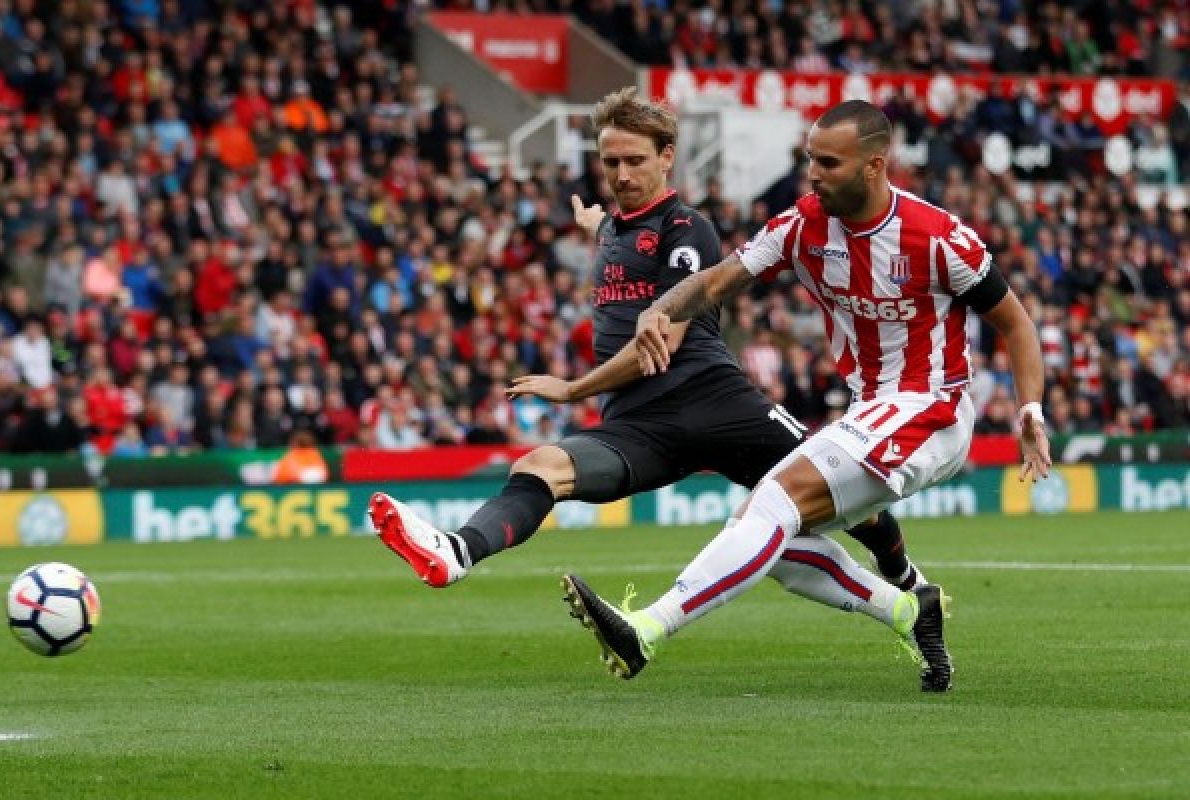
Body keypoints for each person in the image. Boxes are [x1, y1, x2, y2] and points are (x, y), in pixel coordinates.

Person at [368, 88, 931, 648]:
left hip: (716, 404)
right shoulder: (614, 227)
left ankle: (909, 581)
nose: (621, 174)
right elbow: (616, 232)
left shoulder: (689, 229)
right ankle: (457, 551)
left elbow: (658, 342)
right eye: (610, 162)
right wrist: (595, 222)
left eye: (635, 160)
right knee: (542, 465)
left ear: (666, 157)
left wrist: (573, 390)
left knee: (841, 496)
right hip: (642, 423)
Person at [561, 100, 1051, 692]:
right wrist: (658, 311)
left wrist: (1029, 408)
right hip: (870, 409)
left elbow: (1017, 323)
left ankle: (646, 630)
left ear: (874, 166)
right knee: (764, 533)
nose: (812, 174)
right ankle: (907, 606)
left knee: (774, 502)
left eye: (828, 162)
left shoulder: (939, 238)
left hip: (931, 409)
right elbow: (716, 280)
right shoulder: (803, 224)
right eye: (809, 160)